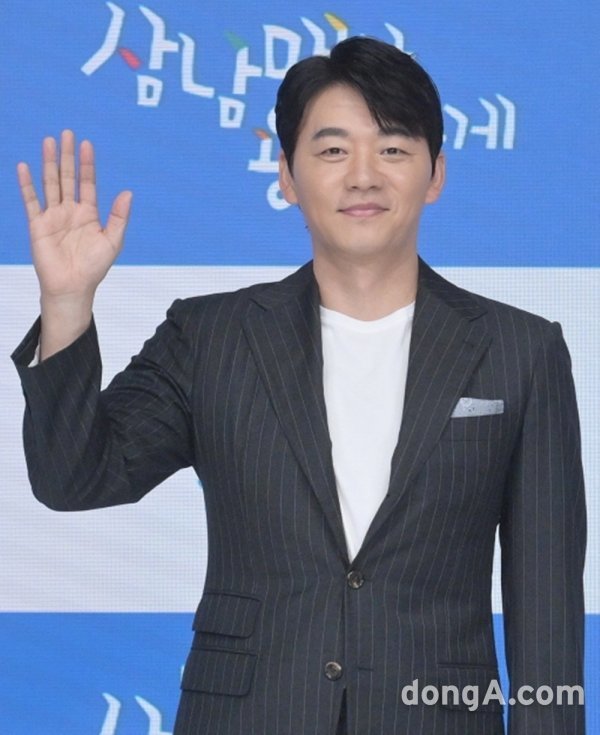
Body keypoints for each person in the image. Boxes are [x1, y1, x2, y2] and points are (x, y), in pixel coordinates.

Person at [12, 37, 586, 735]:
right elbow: (75, 477)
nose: (364, 176)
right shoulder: (210, 337)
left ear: (436, 173)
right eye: (333, 150)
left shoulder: (521, 351)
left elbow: (547, 604)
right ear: (287, 175)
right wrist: (67, 305)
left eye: (394, 148)